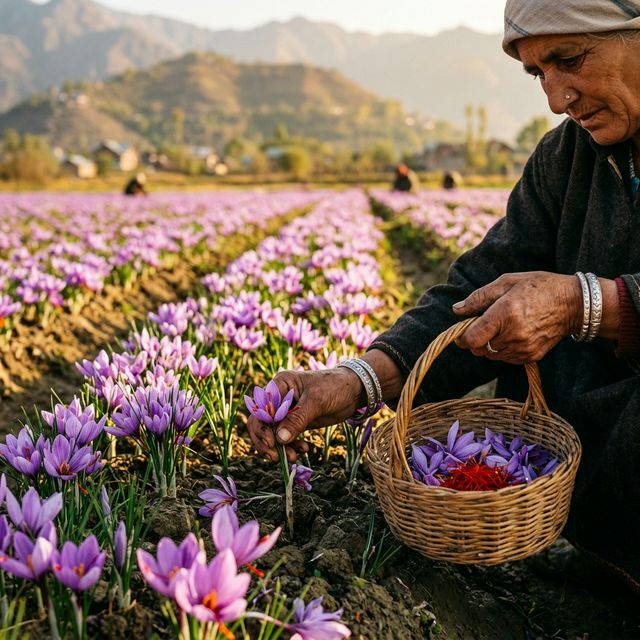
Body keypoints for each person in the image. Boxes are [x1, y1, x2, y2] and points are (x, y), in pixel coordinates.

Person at [248, 0, 640, 590]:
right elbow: (473, 291)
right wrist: (357, 380)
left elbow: (580, 302)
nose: (557, 99)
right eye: (539, 74)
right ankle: (594, 543)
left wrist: (585, 304)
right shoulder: (566, 157)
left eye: (570, 59)